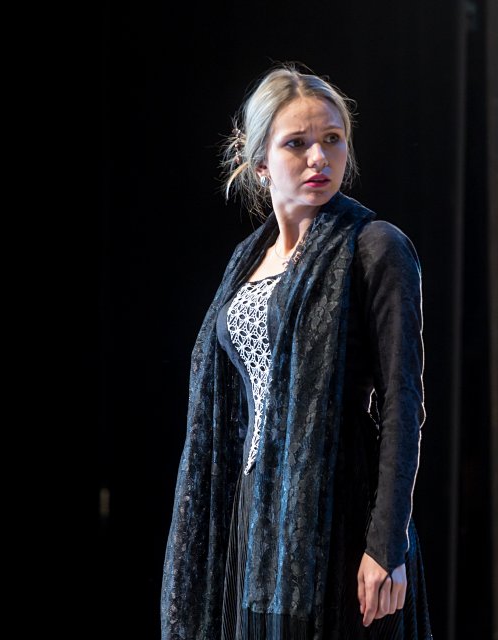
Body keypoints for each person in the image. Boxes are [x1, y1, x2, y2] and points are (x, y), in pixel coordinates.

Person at [161, 62, 432, 640]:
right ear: (260, 162)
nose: (319, 158)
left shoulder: (374, 247)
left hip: (336, 511)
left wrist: (387, 546)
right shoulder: (246, 261)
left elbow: (402, 403)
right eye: (297, 143)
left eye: (332, 140)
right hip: (253, 515)